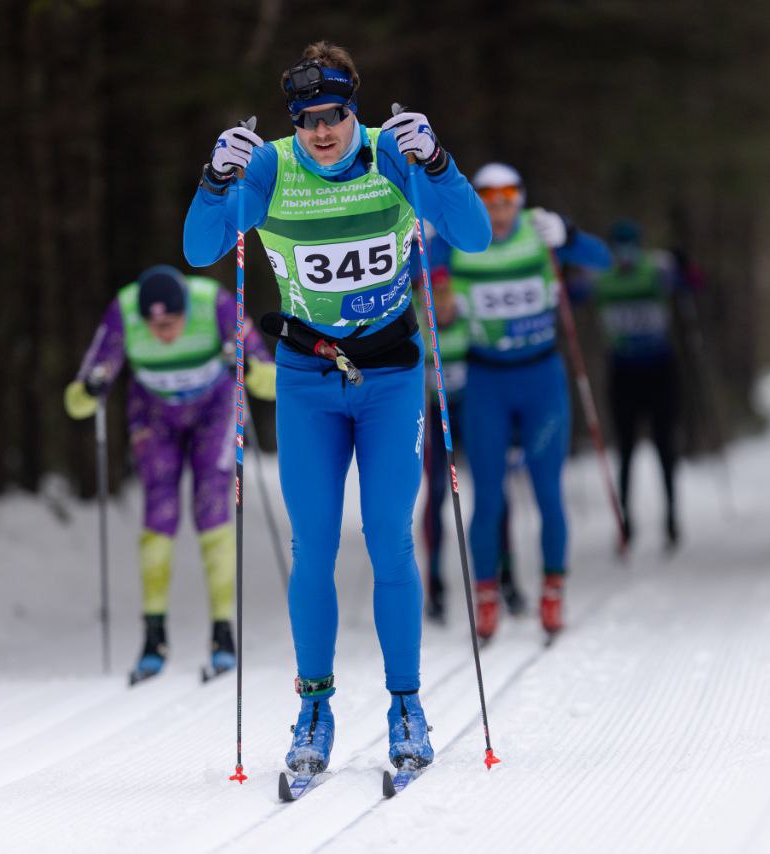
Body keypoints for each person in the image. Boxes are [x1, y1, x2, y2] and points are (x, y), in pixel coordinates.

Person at [182, 42, 490, 776]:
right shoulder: (271, 166)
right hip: (307, 379)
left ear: (356, 110)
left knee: (389, 536)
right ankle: (313, 707)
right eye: (308, 118)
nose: (323, 131)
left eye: (336, 116)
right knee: (312, 545)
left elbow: (473, 237)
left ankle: (406, 705)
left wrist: (440, 162)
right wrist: (216, 178)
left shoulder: (393, 155)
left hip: (390, 375)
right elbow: (200, 249)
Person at [64, 264, 275, 683]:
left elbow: (272, 380)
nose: (162, 332)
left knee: (212, 508)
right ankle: (154, 637)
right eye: (153, 325)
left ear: (185, 310)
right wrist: (92, 388)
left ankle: (222, 634)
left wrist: (247, 368)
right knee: (158, 513)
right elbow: (77, 400)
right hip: (154, 412)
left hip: (213, 408)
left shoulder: (214, 304)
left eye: (171, 322)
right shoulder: (123, 310)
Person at [431, 162, 610, 642]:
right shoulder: (458, 235)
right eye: (487, 195)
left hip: (541, 379)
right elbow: (411, 268)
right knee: (487, 497)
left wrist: (569, 235)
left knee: (547, 490)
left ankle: (553, 591)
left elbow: (603, 259)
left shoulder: (538, 231)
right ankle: (486, 596)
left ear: (522, 197)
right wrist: (419, 235)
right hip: (487, 379)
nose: (498, 204)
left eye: (508, 194)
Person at [416, 280, 522, 624]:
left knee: (493, 492)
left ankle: (506, 577)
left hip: (474, 413)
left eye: (448, 299)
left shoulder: (472, 321)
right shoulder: (418, 319)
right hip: (435, 414)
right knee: (435, 496)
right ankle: (435, 586)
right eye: (436, 299)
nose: (443, 306)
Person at [594, 220, 684, 550]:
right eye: (620, 245)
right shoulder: (603, 276)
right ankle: (626, 520)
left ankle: (672, 516)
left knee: (665, 445)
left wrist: (685, 268)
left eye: (631, 244)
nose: (626, 253)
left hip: (660, 369)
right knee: (627, 448)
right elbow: (569, 292)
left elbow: (693, 284)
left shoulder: (656, 270)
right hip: (623, 371)